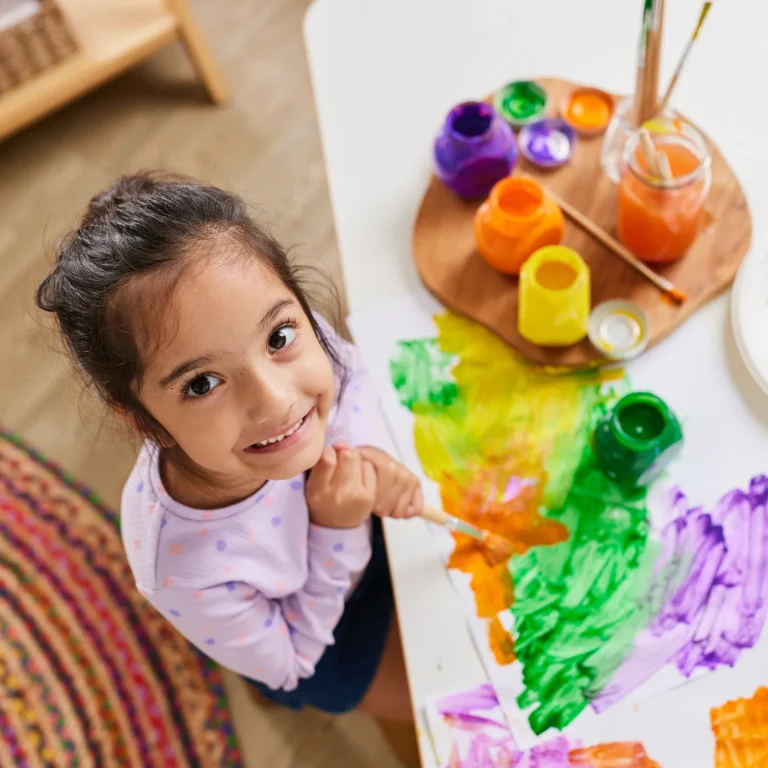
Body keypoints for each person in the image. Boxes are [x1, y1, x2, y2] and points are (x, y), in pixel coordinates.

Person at [35, 173, 421, 721]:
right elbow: (291, 661)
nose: (276, 402)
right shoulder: (177, 566)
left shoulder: (299, 344)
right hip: (326, 639)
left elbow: (350, 377)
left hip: (369, 528)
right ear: (143, 420)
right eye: (201, 384)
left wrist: (365, 455)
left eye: (279, 338)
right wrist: (337, 531)